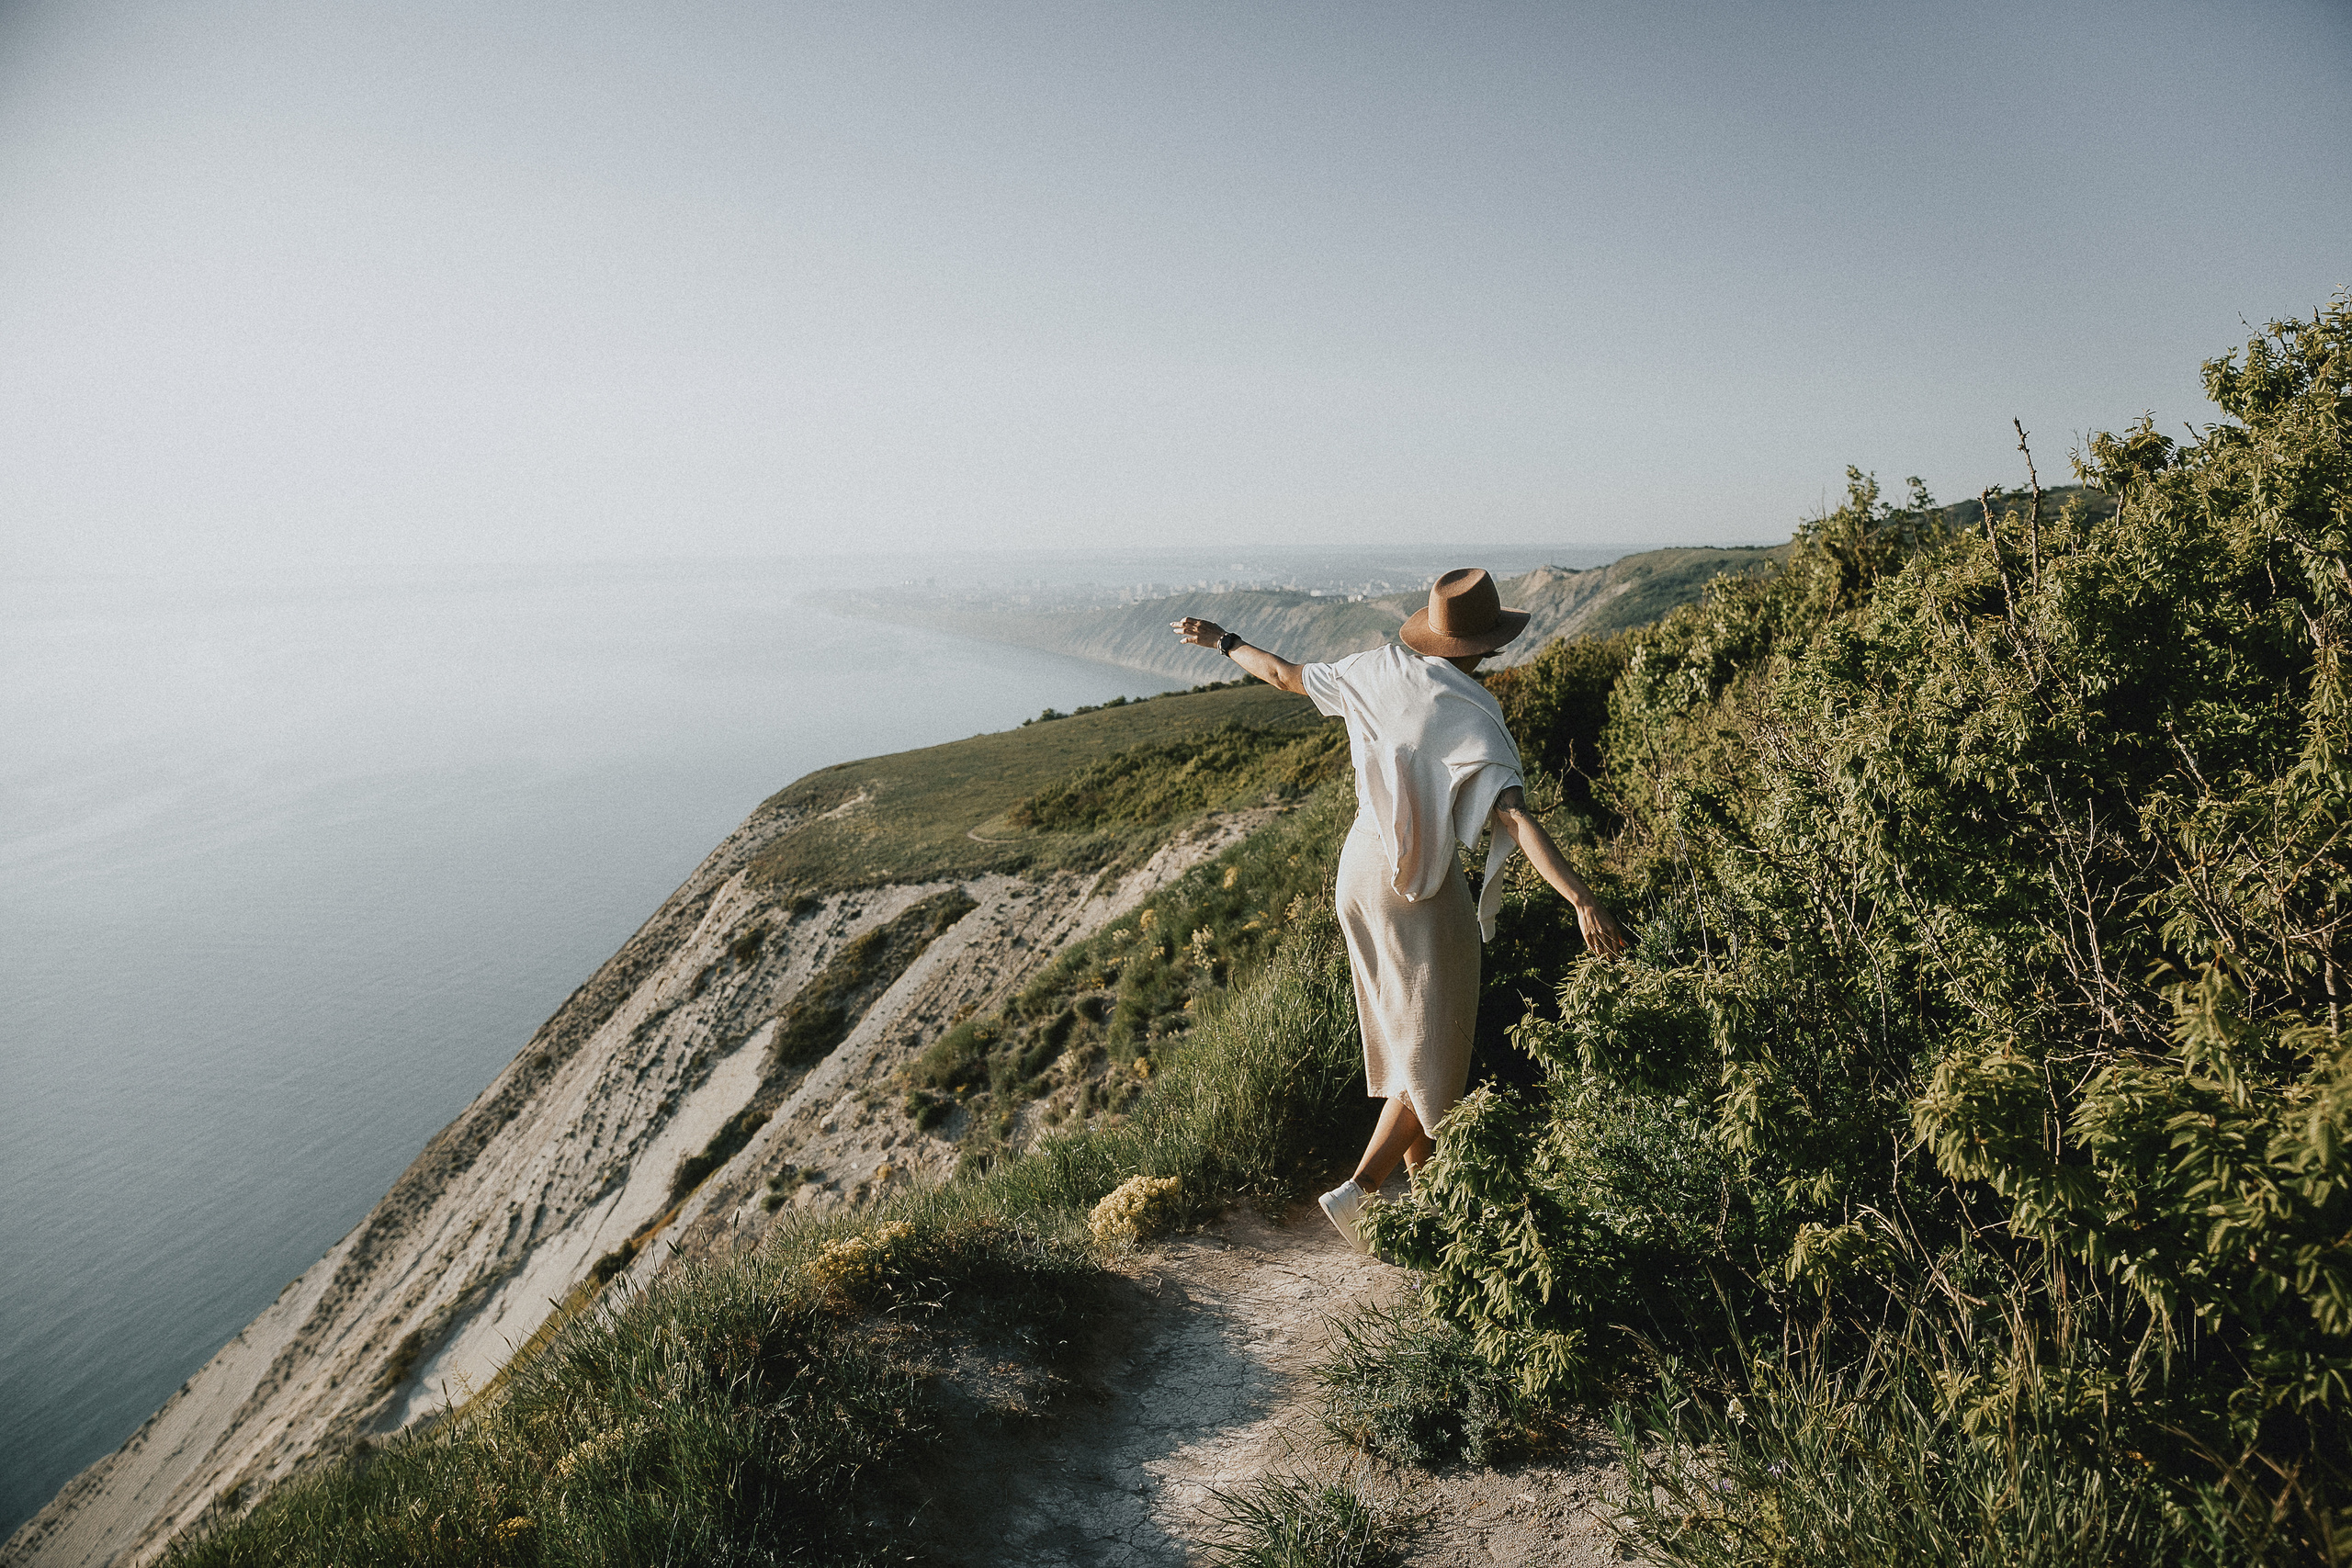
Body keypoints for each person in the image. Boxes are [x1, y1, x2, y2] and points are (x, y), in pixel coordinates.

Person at [1171, 568, 1627, 1252]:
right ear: (1488, 644)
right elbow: (1517, 820)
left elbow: (1283, 675)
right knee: (1437, 1049)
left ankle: (1435, 1212)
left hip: (1358, 869)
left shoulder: (1373, 668)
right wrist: (1582, 898)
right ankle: (1359, 1188)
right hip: (1417, 886)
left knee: (1413, 1042)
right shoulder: (1473, 710)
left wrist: (1223, 640)